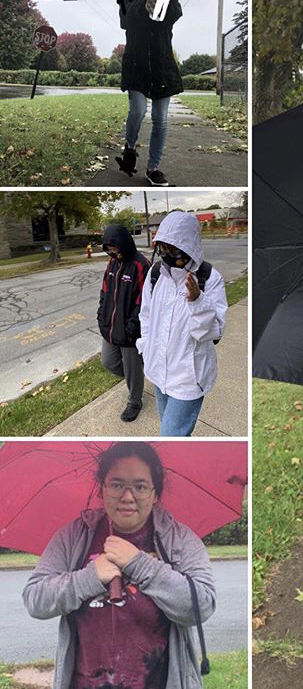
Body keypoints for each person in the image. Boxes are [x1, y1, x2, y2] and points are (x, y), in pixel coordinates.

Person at [23, 442, 215, 689]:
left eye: (140, 486)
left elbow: (202, 606)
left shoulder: (179, 540)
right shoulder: (73, 537)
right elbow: (35, 600)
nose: (127, 496)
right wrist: (90, 577)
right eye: (117, 484)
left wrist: (139, 564)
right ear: (102, 488)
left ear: (156, 493)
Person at [137, 211, 227, 436]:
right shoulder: (156, 274)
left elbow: (213, 333)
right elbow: (146, 315)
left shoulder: (209, 278)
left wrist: (197, 301)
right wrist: (145, 348)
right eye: (163, 248)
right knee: (168, 430)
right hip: (158, 371)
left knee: (170, 437)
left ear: (188, 246)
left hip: (188, 378)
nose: (167, 254)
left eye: (173, 249)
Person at [115, 0, 183, 187]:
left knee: (160, 118)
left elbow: (175, 13)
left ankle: (154, 168)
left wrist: (160, 7)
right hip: (137, 63)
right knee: (138, 110)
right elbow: (124, 20)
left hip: (162, 64)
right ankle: (130, 147)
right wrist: (142, 8)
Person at [97, 224, 150, 422]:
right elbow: (104, 293)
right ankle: (136, 376)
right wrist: (102, 317)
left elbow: (145, 301)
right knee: (109, 362)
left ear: (124, 244)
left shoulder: (140, 265)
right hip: (110, 328)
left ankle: (134, 401)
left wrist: (132, 327)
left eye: (114, 248)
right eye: (108, 249)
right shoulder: (111, 264)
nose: (112, 252)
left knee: (132, 368)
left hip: (130, 331)